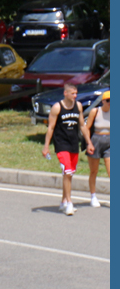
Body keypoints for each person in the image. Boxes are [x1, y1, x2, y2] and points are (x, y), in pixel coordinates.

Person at [43, 82, 94, 215]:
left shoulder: (78, 106)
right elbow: (51, 128)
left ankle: (63, 202)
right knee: (67, 172)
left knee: (70, 174)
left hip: (73, 143)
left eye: (76, 93)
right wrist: (46, 146)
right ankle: (70, 203)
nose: (75, 96)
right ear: (65, 93)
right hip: (61, 143)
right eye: (73, 93)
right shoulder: (57, 107)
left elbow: (82, 125)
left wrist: (89, 142)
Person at [85, 90, 110, 208]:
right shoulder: (95, 112)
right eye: (108, 101)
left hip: (110, 142)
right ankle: (93, 196)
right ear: (103, 101)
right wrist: (89, 143)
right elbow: (86, 128)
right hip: (96, 140)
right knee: (94, 171)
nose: (111, 103)